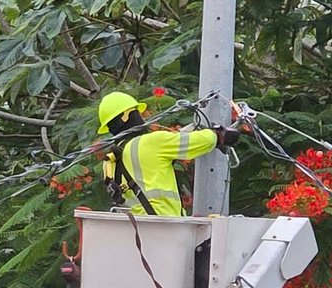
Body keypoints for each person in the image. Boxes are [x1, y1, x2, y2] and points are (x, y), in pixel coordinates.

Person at [97, 91, 239, 218]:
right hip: (163, 225)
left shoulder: (110, 159)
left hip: (134, 227)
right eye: (136, 112)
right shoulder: (151, 142)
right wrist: (218, 134)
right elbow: (203, 140)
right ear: (125, 116)